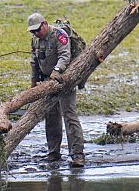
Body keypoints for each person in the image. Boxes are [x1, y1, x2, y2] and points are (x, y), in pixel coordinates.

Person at [27, 12, 85, 167]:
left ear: (45, 24)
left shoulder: (60, 35)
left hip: (64, 80)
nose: (35, 33)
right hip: (47, 83)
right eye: (32, 31)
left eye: (37, 30)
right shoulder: (35, 40)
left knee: (69, 115)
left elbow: (65, 56)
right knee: (51, 117)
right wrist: (34, 83)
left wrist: (57, 71)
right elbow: (34, 60)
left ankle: (77, 155)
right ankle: (53, 153)